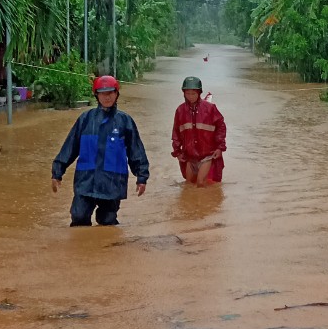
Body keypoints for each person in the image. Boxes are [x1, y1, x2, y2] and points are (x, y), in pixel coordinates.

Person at [51, 75, 149, 226]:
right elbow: (70, 146)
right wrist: (57, 172)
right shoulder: (85, 119)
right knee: (78, 218)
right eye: (103, 93)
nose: (107, 97)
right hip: (86, 181)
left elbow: (136, 151)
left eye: (111, 92)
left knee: (107, 222)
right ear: (96, 95)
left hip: (112, 182)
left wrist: (141, 177)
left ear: (117, 94)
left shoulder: (125, 121)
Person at [172, 76, 226, 186]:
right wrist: (177, 151)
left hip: (206, 154)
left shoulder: (210, 108)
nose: (190, 96)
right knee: (188, 183)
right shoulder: (180, 110)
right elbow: (176, 133)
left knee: (200, 183)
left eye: (193, 94)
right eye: (188, 93)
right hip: (189, 155)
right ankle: (191, 203)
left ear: (199, 93)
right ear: (183, 93)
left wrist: (220, 147)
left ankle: (206, 203)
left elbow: (221, 127)